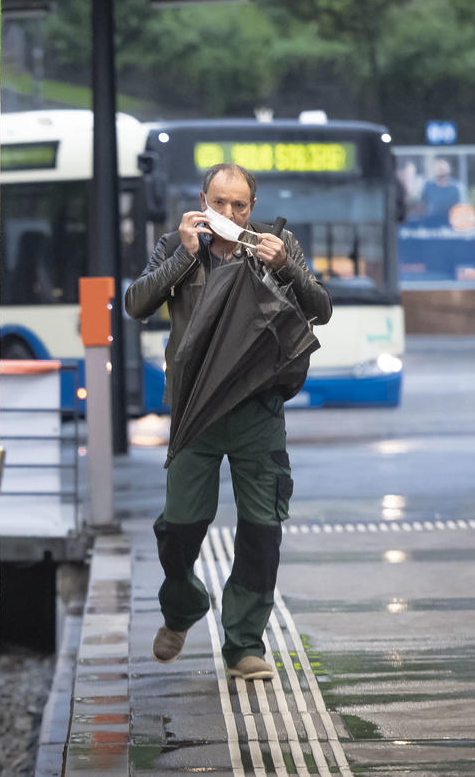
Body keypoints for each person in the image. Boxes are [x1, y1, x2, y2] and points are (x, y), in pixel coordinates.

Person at [124, 163, 332, 680]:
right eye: (219, 202)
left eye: (239, 205)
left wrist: (286, 267)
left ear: (251, 209)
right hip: (195, 409)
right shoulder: (179, 244)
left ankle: (244, 644)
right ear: (203, 199)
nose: (229, 214)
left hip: (259, 410)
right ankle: (183, 606)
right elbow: (136, 303)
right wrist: (183, 255)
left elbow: (321, 309)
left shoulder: (275, 245)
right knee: (179, 528)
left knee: (262, 531)